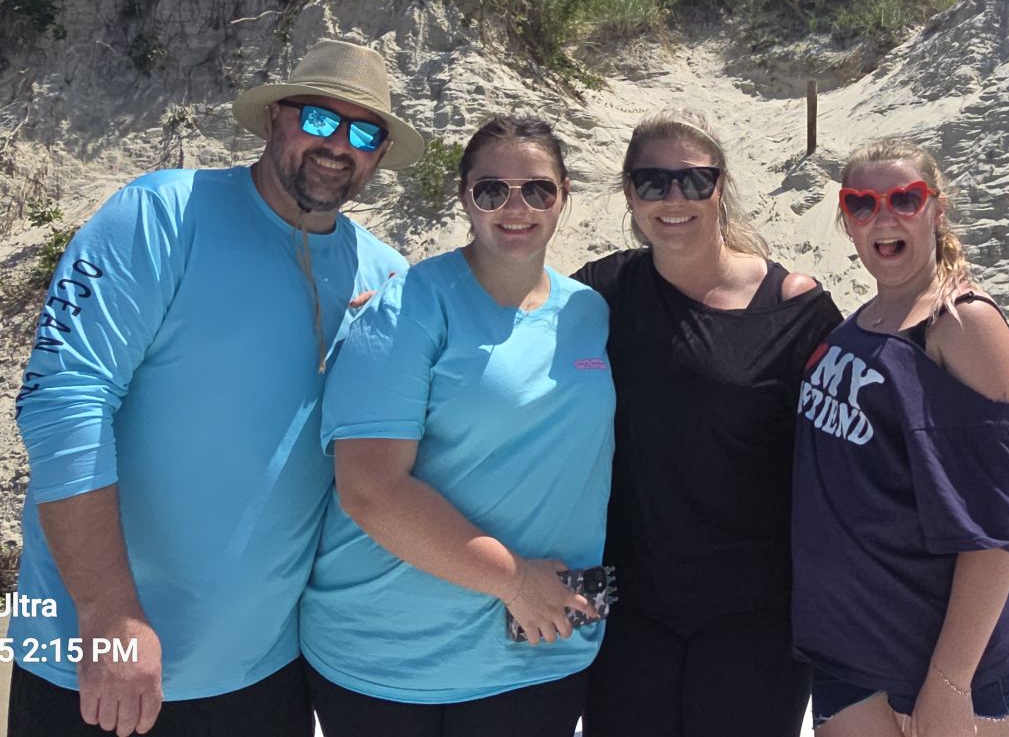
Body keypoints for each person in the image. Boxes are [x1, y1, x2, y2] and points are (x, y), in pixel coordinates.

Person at [9, 39, 423, 737]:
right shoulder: (161, 213)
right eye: (319, 119)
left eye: (363, 133)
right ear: (274, 118)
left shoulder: (384, 278)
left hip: (266, 673)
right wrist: (110, 617)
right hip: (90, 657)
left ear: (379, 156)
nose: (338, 146)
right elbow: (62, 403)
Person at [300, 116, 614, 737]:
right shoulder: (407, 306)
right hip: (392, 655)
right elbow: (370, 490)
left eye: (538, 190)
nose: (516, 207)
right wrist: (515, 581)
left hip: (540, 650)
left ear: (565, 196)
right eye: (492, 190)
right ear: (465, 198)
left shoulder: (590, 311)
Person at [575, 108, 843, 737]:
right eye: (653, 181)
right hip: (626, 612)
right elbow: (505, 318)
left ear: (720, 187)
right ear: (629, 193)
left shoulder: (795, 308)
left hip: (756, 618)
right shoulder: (601, 292)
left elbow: (860, 434)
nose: (675, 198)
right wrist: (404, 299)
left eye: (695, 180)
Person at [791, 138, 1009, 736]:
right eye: (862, 204)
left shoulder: (962, 323)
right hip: (853, 646)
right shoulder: (859, 324)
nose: (883, 217)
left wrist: (948, 682)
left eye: (904, 199)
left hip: (950, 659)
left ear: (936, 209)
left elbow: (995, 526)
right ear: (847, 221)